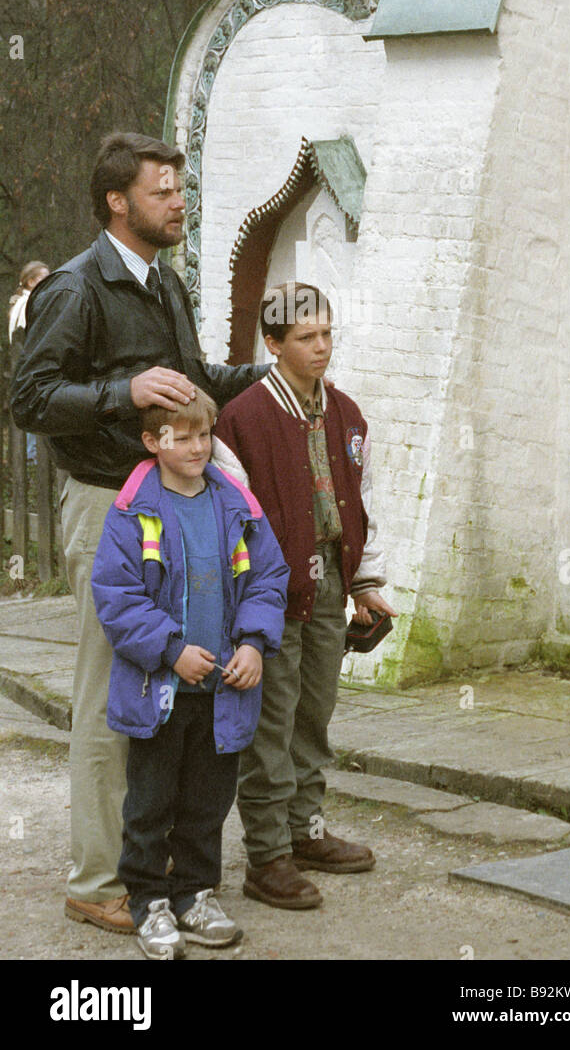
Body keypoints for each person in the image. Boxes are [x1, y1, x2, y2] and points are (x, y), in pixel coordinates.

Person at [10, 132, 268, 933]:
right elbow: (29, 398)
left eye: (180, 190)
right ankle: (94, 881)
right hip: (106, 505)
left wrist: (273, 379)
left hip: (181, 504)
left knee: (168, 695)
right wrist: (122, 392)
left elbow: (193, 384)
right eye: (163, 191)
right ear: (117, 201)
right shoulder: (75, 288)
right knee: (111, 695)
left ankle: (152, 871)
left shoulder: (168, 286)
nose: (178, 203)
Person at [213, 281, 398, 910]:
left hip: (329, 584)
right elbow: (232, 520)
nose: (320, 347)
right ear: (273, 343)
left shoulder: (347, 414)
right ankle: (267, 857)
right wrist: (245, 601)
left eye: (326, 334)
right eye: (305, 337)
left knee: (314, 713)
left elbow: (363, 502)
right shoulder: (242, 419)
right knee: (271, 720)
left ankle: (306, 830)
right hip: (266, 591)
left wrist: (366, 583)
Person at [91, 386, 288, 959]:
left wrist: (253, 643)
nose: (199, 447)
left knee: (208, 800)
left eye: (206, 435)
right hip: (161, 690)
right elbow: (118, 597)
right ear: (153, 442)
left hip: (223, 691)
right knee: (150, 801)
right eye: (184, 437)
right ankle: (149, 901)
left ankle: (195, 894)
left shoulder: (237, 505)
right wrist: (171, 649)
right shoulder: (133, 511)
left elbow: (268, 579)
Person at [7, 260, 50, 460]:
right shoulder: (29, 303)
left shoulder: (22, 301)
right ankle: (32, 456)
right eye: (44, 277)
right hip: (30, 363)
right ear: (32, 281)